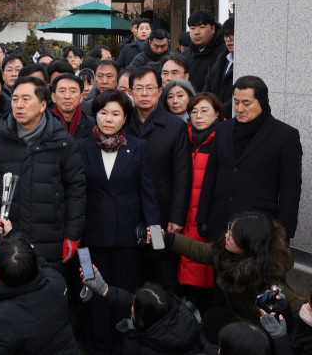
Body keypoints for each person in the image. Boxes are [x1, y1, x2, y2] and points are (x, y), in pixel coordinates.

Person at [77, 89, 162, 355]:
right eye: (103, 113)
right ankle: (97, 346)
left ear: (126, 117)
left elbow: (148, 191)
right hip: (88, 237)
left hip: (128, 237)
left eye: (116, 114)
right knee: (93, 292)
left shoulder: (138, 146)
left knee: (125, 293)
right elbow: (74, 191)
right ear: (95, 115)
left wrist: (157, 237)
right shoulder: (80, 146)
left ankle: (124, 345)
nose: (109, 119)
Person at [0, 77, 86, 273]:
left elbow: (75, 190)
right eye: (15, 99)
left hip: (50, 237)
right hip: (8, 238)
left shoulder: (63, 141)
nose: (19, 105)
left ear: (43, 105)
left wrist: (72, 234)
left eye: (26, 99)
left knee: (46, 294)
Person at [156, 212, 302, 344]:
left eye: (232, 236)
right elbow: (197, 249)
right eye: (229, 230)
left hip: (259, 333)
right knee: (211, 318)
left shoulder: (266, 283)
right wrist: (161, 238)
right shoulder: (226, 252)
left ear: (247, 246)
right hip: (239, 317)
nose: (226, 236)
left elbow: (296, 310)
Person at [196, 76, 302, 241]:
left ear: (262, 102)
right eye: (236, 102)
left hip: (259, 229)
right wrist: (202, 217)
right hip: (220, 222)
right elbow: (211, 175)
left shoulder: (285, 136)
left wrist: (283, 234)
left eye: (246, 103)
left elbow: (290, 191)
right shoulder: (223, 128)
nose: (239, 109)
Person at [124, 67, 191, 288]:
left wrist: (177, 216)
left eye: (150, 88)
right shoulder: (122, 124)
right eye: (138, 88)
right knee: (132, 270)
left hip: (160, 215)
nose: (144, 93)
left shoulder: (175, 126)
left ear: (160, 91)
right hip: (128, 211)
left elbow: (182, 174)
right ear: (130, 92)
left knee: (162, 267)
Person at [0, 221, 77, 355]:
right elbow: (40, 261)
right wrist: (12, 234)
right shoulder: (56, 282)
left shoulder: (3, 317)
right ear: (35, 264)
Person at [179, 92, 226, 315]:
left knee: (206, 265)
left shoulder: (225, 140)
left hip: (207, 216)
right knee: (186, 263)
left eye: (204, 110)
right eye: (193, 111)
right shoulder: (183, 138)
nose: (198, 116)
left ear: (217, 112)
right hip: (183, 214)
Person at [81, 271, 201, 355]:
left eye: (134, 305)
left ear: (143, 319)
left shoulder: (146, 351)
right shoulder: (173, 309)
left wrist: (132, 329)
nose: (131, 304)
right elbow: (135, 302)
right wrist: (104, 289)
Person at [181, 9, 228, 92]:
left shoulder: (225, 53)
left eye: (201, 27)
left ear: (213, 29)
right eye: (192, 28)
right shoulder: (184, 56)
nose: (196, 32)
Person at [203, 17, 235, 118]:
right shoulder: (222, 58)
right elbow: (209, 81)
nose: (228, 39)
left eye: (232, 35)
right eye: (225, 36)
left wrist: (217, 111)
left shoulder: (245, 62)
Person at [51, 73, 95, 139]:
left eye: (73, 91)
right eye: (62, 91)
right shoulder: (43, 124)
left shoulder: (91, 124)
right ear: (53, 97)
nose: (67, 96)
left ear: (81, 97)